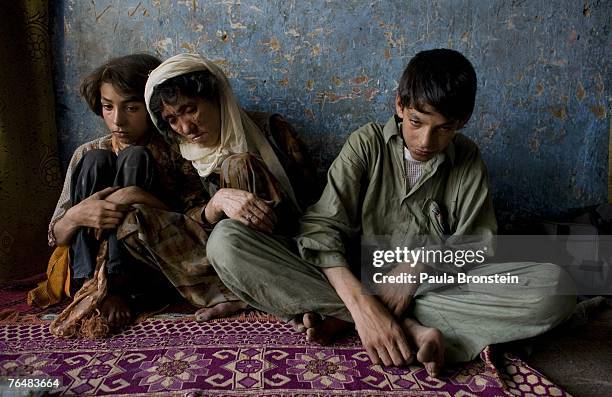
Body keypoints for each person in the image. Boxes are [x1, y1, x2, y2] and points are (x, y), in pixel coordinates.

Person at [205, 49, 576, 377]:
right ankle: (403, 327)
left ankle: (358, 318)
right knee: (226, 241)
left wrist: (417, 266)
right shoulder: (366, 144)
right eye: (417, 121)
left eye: (443, 128)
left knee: (555, 285)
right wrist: (363, 304)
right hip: (353, 277)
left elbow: (478, 245)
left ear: (462, 121)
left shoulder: (466, 158)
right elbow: (319, 230)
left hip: (431, 287)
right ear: (399, 105)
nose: (426, 141)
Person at [47, 54, 241, 337]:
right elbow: (56, 235)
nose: (118, 120)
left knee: (135, 157)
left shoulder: (180, 151)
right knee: (96, 160)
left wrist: (138, 195)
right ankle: (96, 287)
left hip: (148, 273)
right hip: (86, 272)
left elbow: (195, 226)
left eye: (132, 108)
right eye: (107, 107)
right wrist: (77, 215)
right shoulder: (86, 154)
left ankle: (117, 285)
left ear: (152, 109)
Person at [145, 53, 317, 245]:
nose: (186, 129)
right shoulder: (181, 154)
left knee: (237, 165)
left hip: (288, 240)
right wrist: (216, 203)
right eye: (172, 120)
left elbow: (312, 197)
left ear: (217, 98)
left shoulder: (272, 130)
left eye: (190, 110)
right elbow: (186, 217)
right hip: (222, 248)